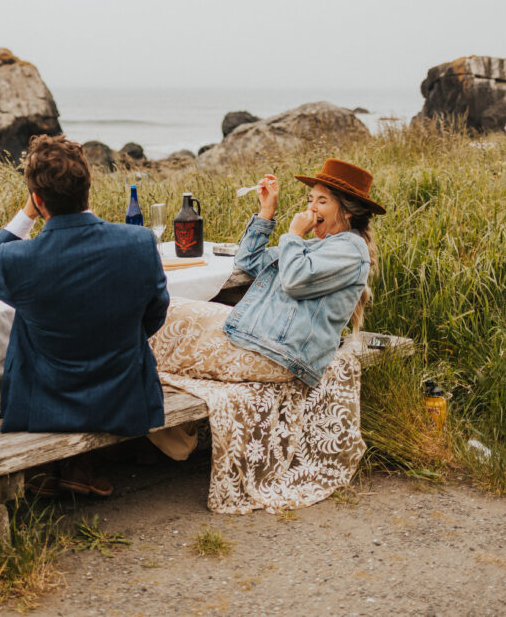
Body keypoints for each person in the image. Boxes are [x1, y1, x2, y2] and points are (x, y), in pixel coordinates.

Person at [149, 158, 384, 513]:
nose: (311, 207)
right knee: (164, 311)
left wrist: (293, 234)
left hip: (274, 352)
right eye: (310, 199)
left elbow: (293, 278)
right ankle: (161, 432)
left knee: (155, 326)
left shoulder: (349, 250)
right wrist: (267, 211)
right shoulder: (321, 246)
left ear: (347, 211)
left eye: (322, 201)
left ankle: (155, 430)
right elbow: (247, 262)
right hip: (256, 333)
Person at [0, 134, 170, 496]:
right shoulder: (139, 242)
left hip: (43, 402)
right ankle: (76, 468)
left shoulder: (18, 259)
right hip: (123, 395)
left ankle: (50, 470)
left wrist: (26, 214)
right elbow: (156, 313)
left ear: (38, 199)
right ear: (89, 186)